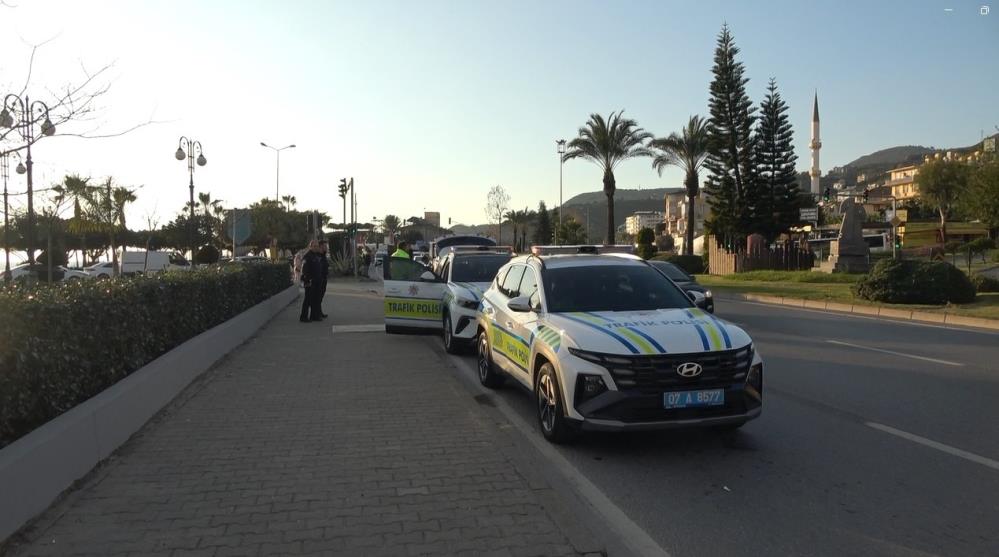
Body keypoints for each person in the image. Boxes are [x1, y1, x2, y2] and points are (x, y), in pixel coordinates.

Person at [299, 240, 323, 322]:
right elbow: (304, 270)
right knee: (308, 300)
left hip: (317, 281)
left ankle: (314, 316)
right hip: (310, 282)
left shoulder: (315, 256)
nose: (316, 247)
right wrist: (306, 280)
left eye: (317, 246)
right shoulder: (307, 256)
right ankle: (303, 317)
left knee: (315, 300)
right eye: (314, 246)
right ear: (310, 246)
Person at [317, 240, 330, 318]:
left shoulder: (323, 255)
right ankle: (317, 313)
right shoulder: (318, 256)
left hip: (324, 278)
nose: (327, 248)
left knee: (320, 297)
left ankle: (319, 312)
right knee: (318, 297)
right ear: (321, 246)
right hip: (320, 279)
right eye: (325, 246)